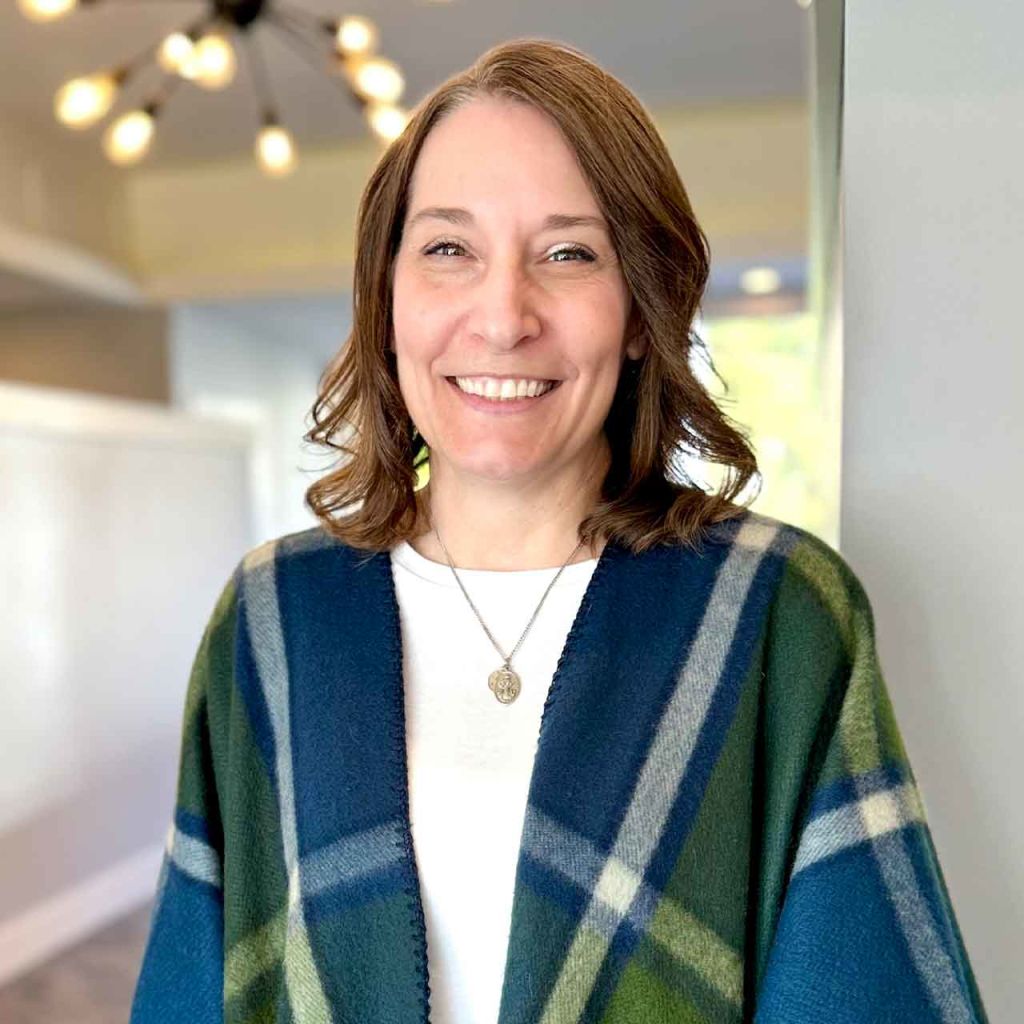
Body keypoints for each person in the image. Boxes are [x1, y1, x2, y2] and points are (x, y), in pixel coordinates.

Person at [129, 38, 988, 1024]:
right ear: (388, 294)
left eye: (569, 252)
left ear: (637, 310)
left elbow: (861, 990)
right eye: (448, 248)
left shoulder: (775, 614)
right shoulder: (274, 619)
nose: (502, 317)